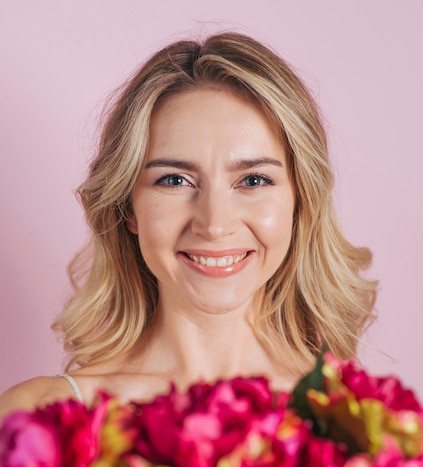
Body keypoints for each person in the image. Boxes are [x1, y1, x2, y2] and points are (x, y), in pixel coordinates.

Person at [0, 31, 377, 418]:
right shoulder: (31, 417)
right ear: (127, 206)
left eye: (253, 180)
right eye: (175, 180)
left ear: (300, 202)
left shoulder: (360, 424)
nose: (214, 224)